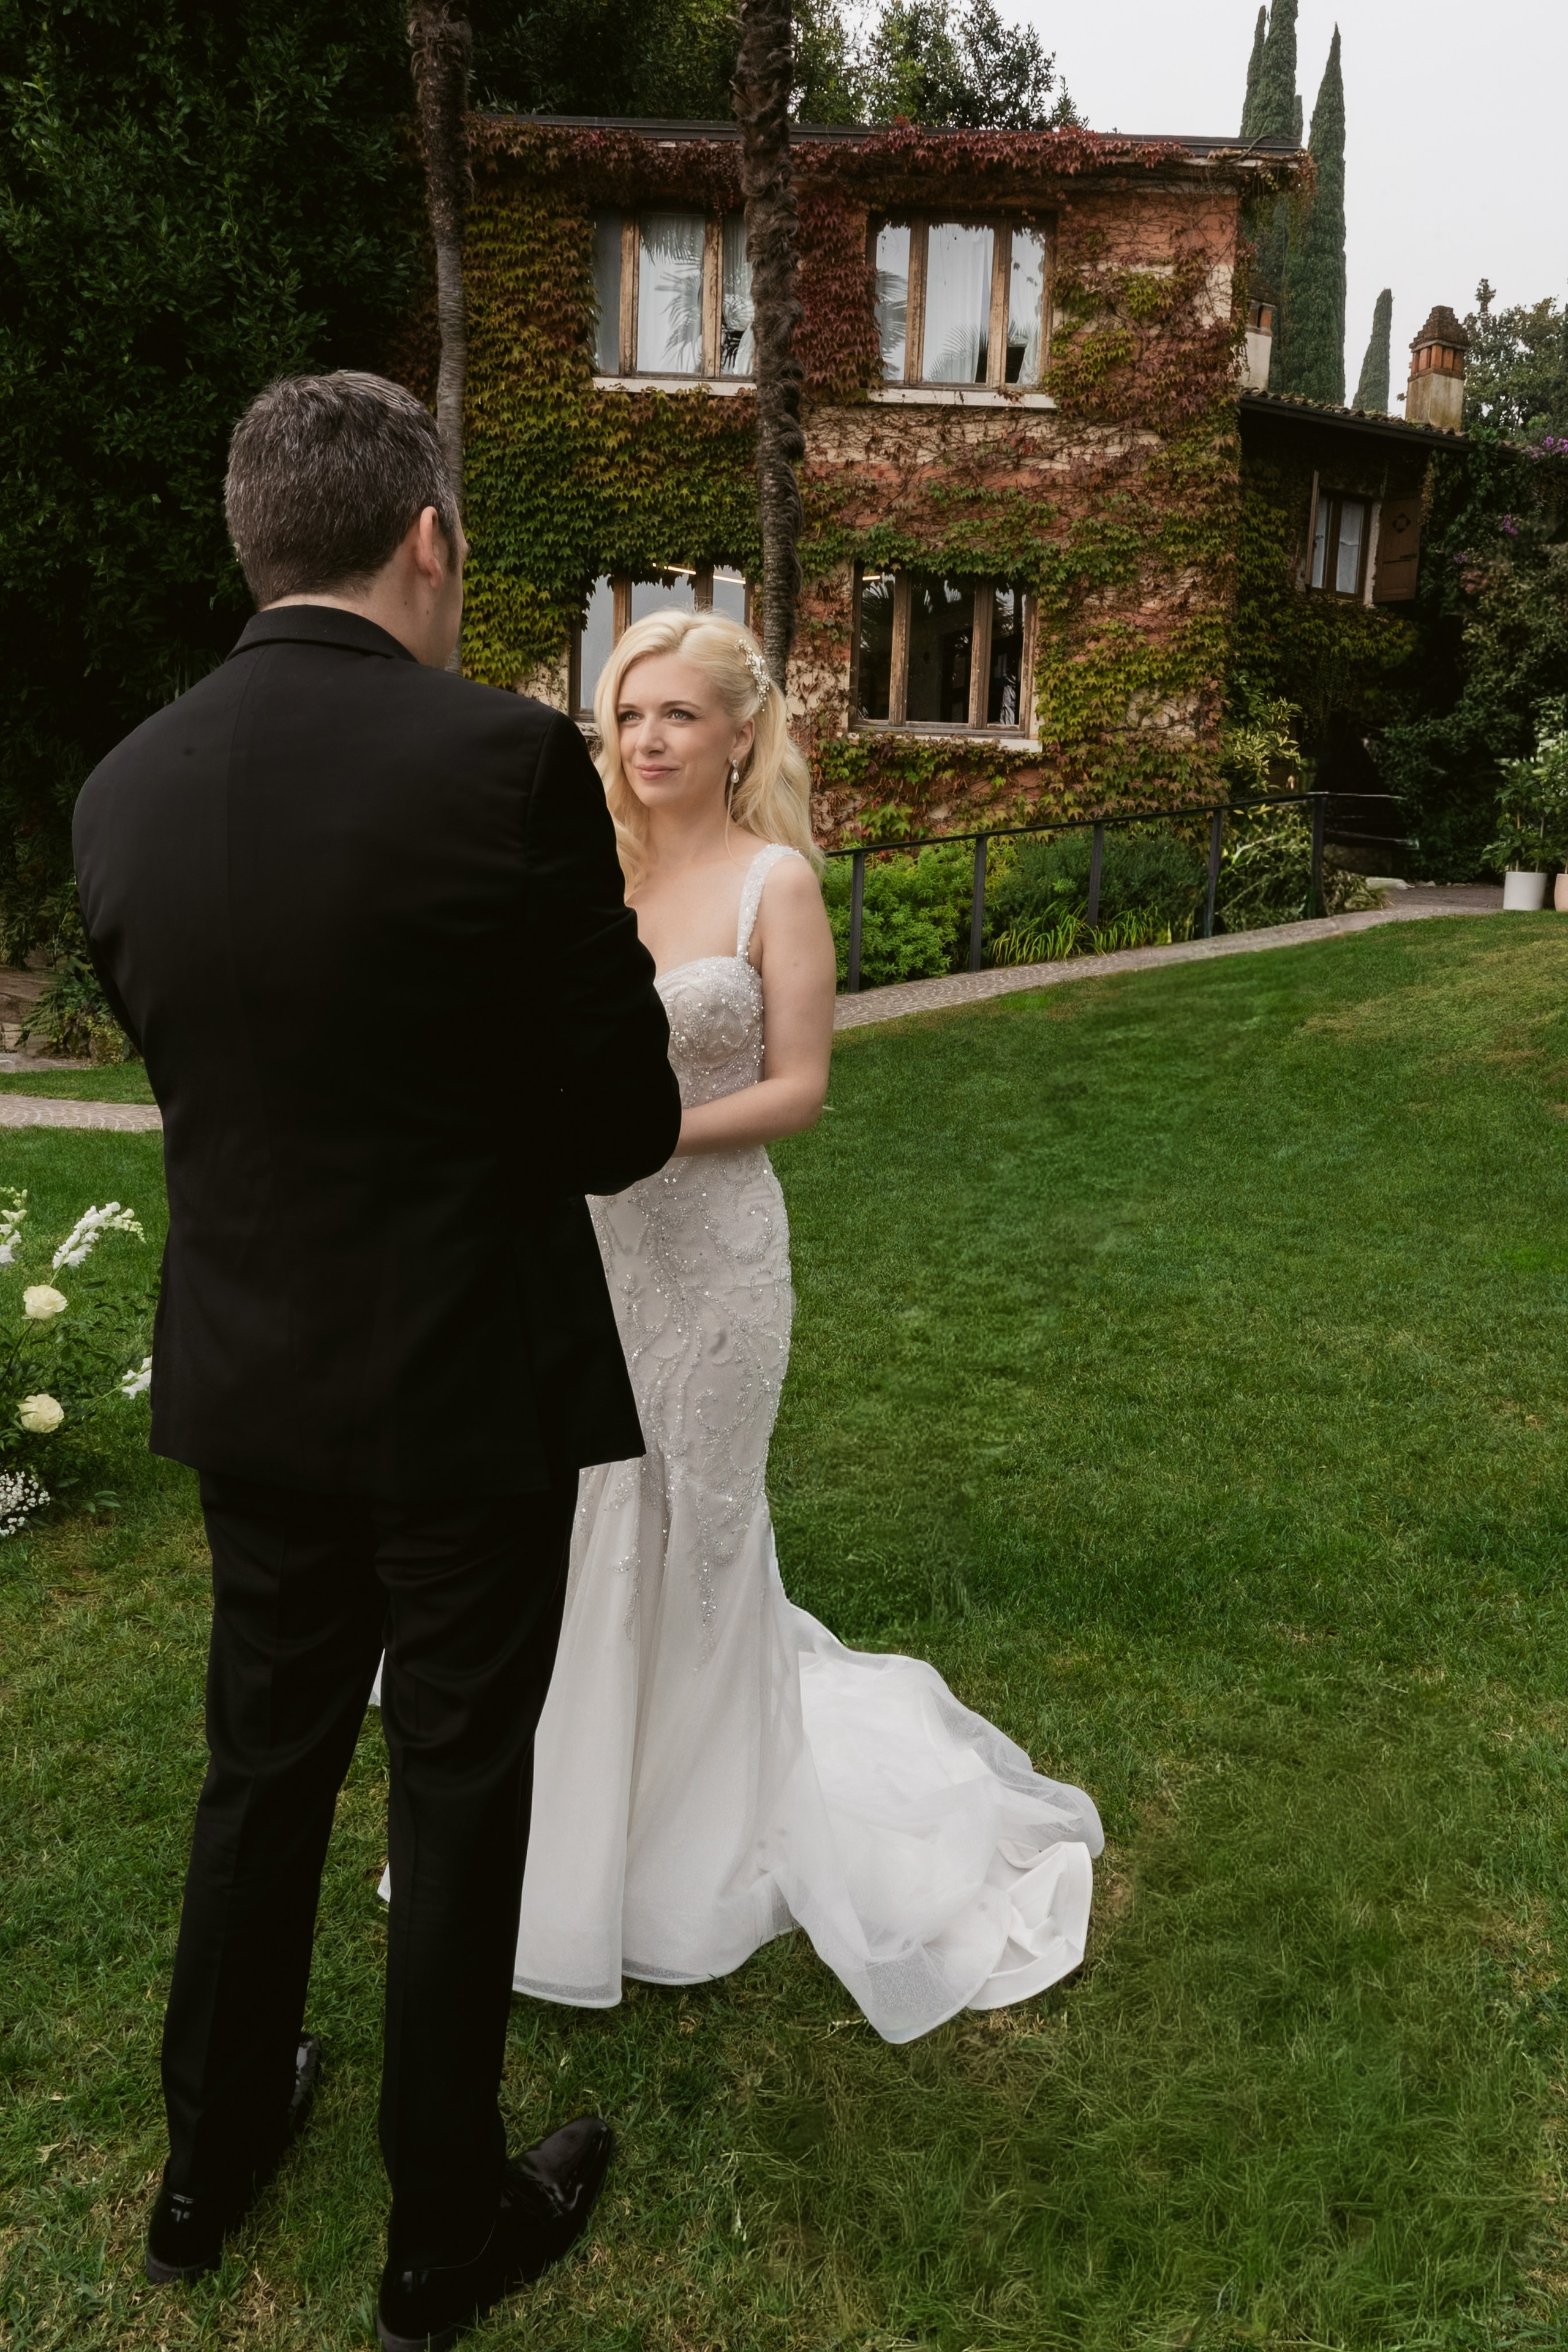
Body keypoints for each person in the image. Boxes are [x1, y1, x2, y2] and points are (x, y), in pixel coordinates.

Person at [71, 372, 682, 2352]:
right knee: (456, 1775)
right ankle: (440, 2227)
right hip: (461, 1379)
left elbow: (212, 1081)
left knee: (260, 1764)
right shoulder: (504, 764)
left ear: (256, 543)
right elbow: (616, 1124)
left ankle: (207, 2157)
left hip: (249, 1364)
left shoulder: (124, 785)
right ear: (429, 541)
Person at [506, 609, 1103, 2041]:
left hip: (711, 1262)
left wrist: (645, 1139)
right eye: (624, 717)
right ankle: (554, 1842)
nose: (643, 742)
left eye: (673, 718)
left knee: (697, 1527)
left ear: (736, 735)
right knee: (581, 1519)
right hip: (581, 1251)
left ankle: (688, 1852)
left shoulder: (772, 883)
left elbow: (796, 1089)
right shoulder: (579, 873)